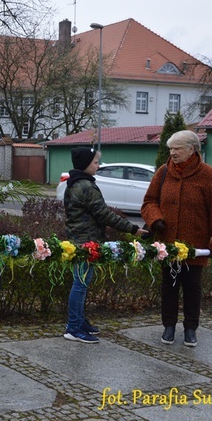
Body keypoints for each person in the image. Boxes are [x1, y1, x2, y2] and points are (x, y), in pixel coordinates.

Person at [141, 130, 212, 347]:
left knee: (192, 288)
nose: (172, 153)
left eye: (177, 149)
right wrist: (155, 219)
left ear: (192, 149)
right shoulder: (163, 173)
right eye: (170, 149)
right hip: (167, 244)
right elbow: (149, 201)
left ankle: (191, 329)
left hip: (195, 246)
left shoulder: (208, 176)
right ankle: (168, 327)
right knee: (169, 287)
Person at [62, 147, 147, 344]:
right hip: (86, 243)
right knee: (80, 284)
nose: (98, 166)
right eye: (95, 162)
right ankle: (74, 328)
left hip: (80, 240)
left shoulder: (75, 183)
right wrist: (132, 229)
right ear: (85, 164)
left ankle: (79, 322)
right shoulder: (86, 187)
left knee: (81, 283)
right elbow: (104, 215)